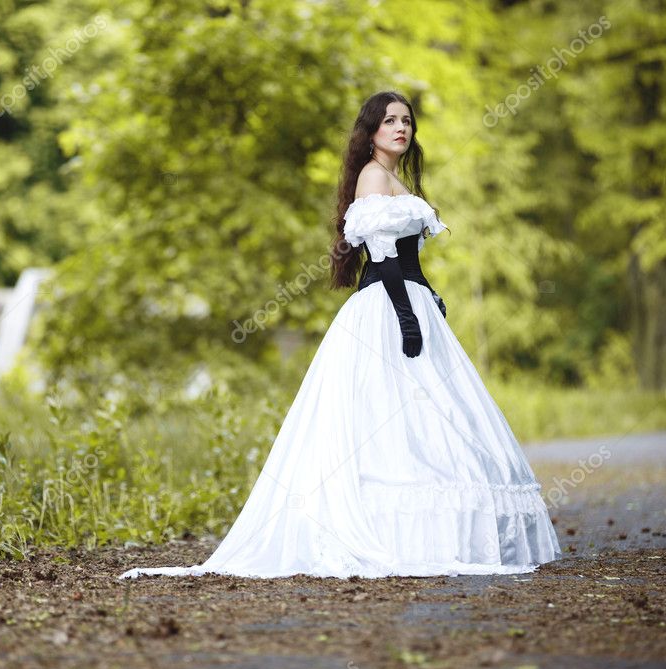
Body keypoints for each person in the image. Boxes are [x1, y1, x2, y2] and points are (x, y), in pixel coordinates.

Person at [118, 91, 562, 580]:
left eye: (407, 121)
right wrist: (405, 315)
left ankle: (424, 533)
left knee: (424, 416)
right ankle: (391, 534)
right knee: (390, 414)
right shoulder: (374, 176)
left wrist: (428, 298)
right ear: (370, 130)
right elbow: (384, 255)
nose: (401, 128)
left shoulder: (393, 178)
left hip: (406, 300)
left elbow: (406, 258)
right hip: (386, 307)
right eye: (389, 120)